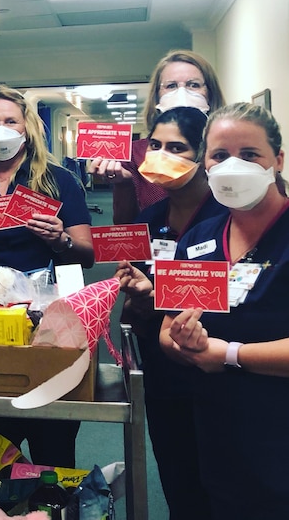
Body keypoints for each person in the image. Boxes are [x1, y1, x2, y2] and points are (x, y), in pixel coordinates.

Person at [0, 85, 94, 467]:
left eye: (11, 120)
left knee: (53, 447)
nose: (1, 129)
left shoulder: (59, 181)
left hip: (46, 323)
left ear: (27, 128)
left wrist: (60, 241)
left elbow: (87, 255)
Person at [156, 103, 289, 518]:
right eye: (219, 155)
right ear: (205, 164)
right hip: (218, 426)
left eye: (249, 155)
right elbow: (166, 330)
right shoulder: (199, 239)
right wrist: (185, 344)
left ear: (277, 161)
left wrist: (226, 355)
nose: (233, 166)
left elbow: (222, 354)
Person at [114, 106, 225, 518]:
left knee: (221, 483)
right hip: (161, 371)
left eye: (177, 148)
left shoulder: (226, 218)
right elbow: (138, 308)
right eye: (156, 145)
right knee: (178, 479)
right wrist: (138, 297)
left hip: (215, 370)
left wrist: (161, 294)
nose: (162, 155)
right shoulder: (149, 219)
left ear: (203, 156)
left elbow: (237, 298)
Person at [89, 49, 226, 223]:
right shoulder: (138, 153)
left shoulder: (230, 149)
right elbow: (126, 225)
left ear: (210, 92)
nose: (181, 93)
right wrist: (124, 184)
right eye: (171, 86)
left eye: (193, 85)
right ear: (157, 96)